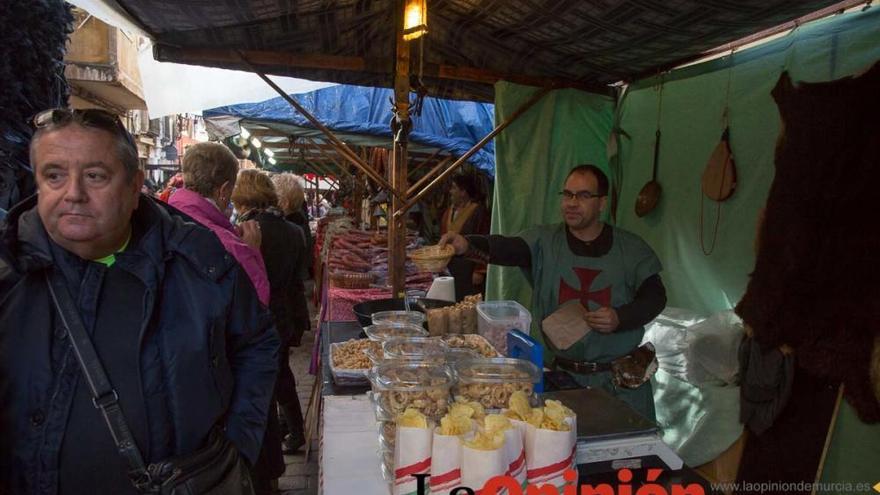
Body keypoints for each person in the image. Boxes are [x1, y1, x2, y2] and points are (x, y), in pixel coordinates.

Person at [0, 108, 279, 494]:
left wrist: (238, 448)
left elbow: (257, 343)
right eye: (54, 175)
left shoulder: (200, 260)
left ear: (135, 187)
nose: (73, 193)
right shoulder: (10, 274)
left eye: (95, 176)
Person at [441, 164, 666, 420]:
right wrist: (467, 243)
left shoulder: (631, 249)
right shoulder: (545, 242)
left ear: (602, 203)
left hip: (620, 383)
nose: (572, 203)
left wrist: (620, 317)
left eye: (583, 196)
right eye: (567, 194)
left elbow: (655, 297)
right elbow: (508, 247)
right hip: (563, 382)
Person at [232, 170, 309, 492]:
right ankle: (292, 431)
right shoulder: (293, 231)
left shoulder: (242, 233)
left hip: (255, 317)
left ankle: (280, 445)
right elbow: (300, 275)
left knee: (261, 387)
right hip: (284, 313)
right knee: (281, 374)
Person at [167, 142, 271, 307]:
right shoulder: (230, 245)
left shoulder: (165, 218)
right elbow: (257, 304)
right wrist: (251, 251)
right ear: (223, 190)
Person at [440, 174, 491, 301]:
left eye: (454, 188)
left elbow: (484, 239)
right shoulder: (448, 212)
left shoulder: (478, 212)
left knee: (468, 303)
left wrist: (480, 270)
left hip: (469, 269)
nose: (450, 192)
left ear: (463, 191)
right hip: (450, 268)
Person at [273, 172, 314, 289]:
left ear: (284, 203)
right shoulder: (298, 226)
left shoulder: (286, 227)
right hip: (293, 290)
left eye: (274, 197)